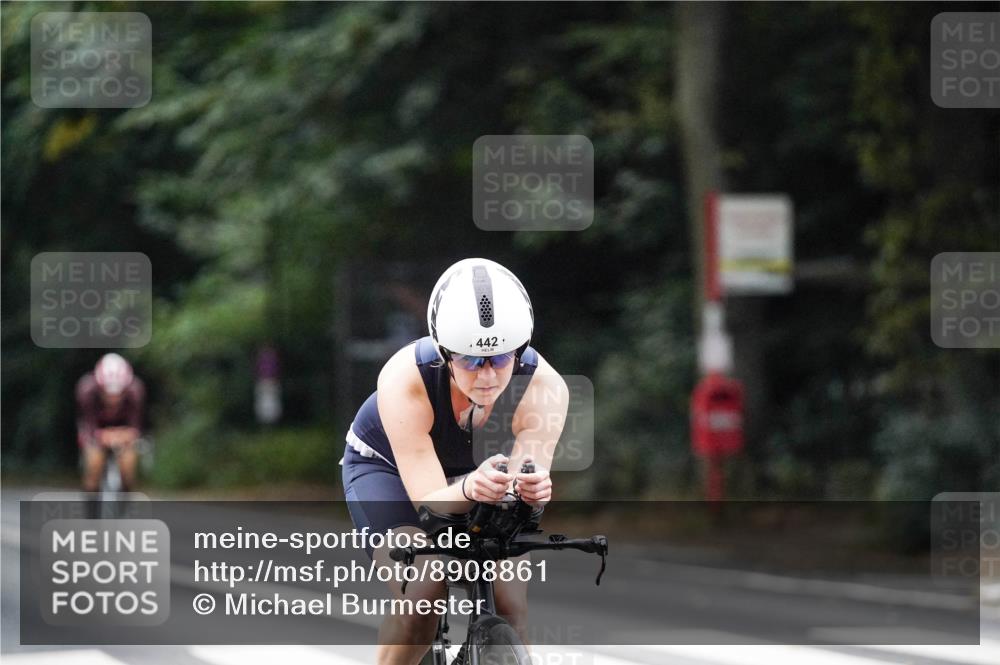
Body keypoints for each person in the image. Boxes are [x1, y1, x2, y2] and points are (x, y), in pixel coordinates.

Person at [341, 258, 568, 665]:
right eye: (470, 360)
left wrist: (530, 492)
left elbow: (521, 491)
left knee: (510, 602)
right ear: (444, 352)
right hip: (387, 468)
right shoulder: (405, 378)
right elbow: (429, 504)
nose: (487, 376)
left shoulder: (544, 387)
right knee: (424, 594)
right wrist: (467, 487)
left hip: (478, 475)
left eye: (501, 359)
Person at [75, 353, 146, 500]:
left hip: (123, 428)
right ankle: (91, 512)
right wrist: (101, 436)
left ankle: (125, 500)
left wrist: (127, 434)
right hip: (95, 429)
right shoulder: (86, 390)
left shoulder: (136, 391)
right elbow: (87, 424)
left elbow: (137, 424)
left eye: (118, 394)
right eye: (107, 394)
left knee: (128, 466)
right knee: (94, 465)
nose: (113, 399)